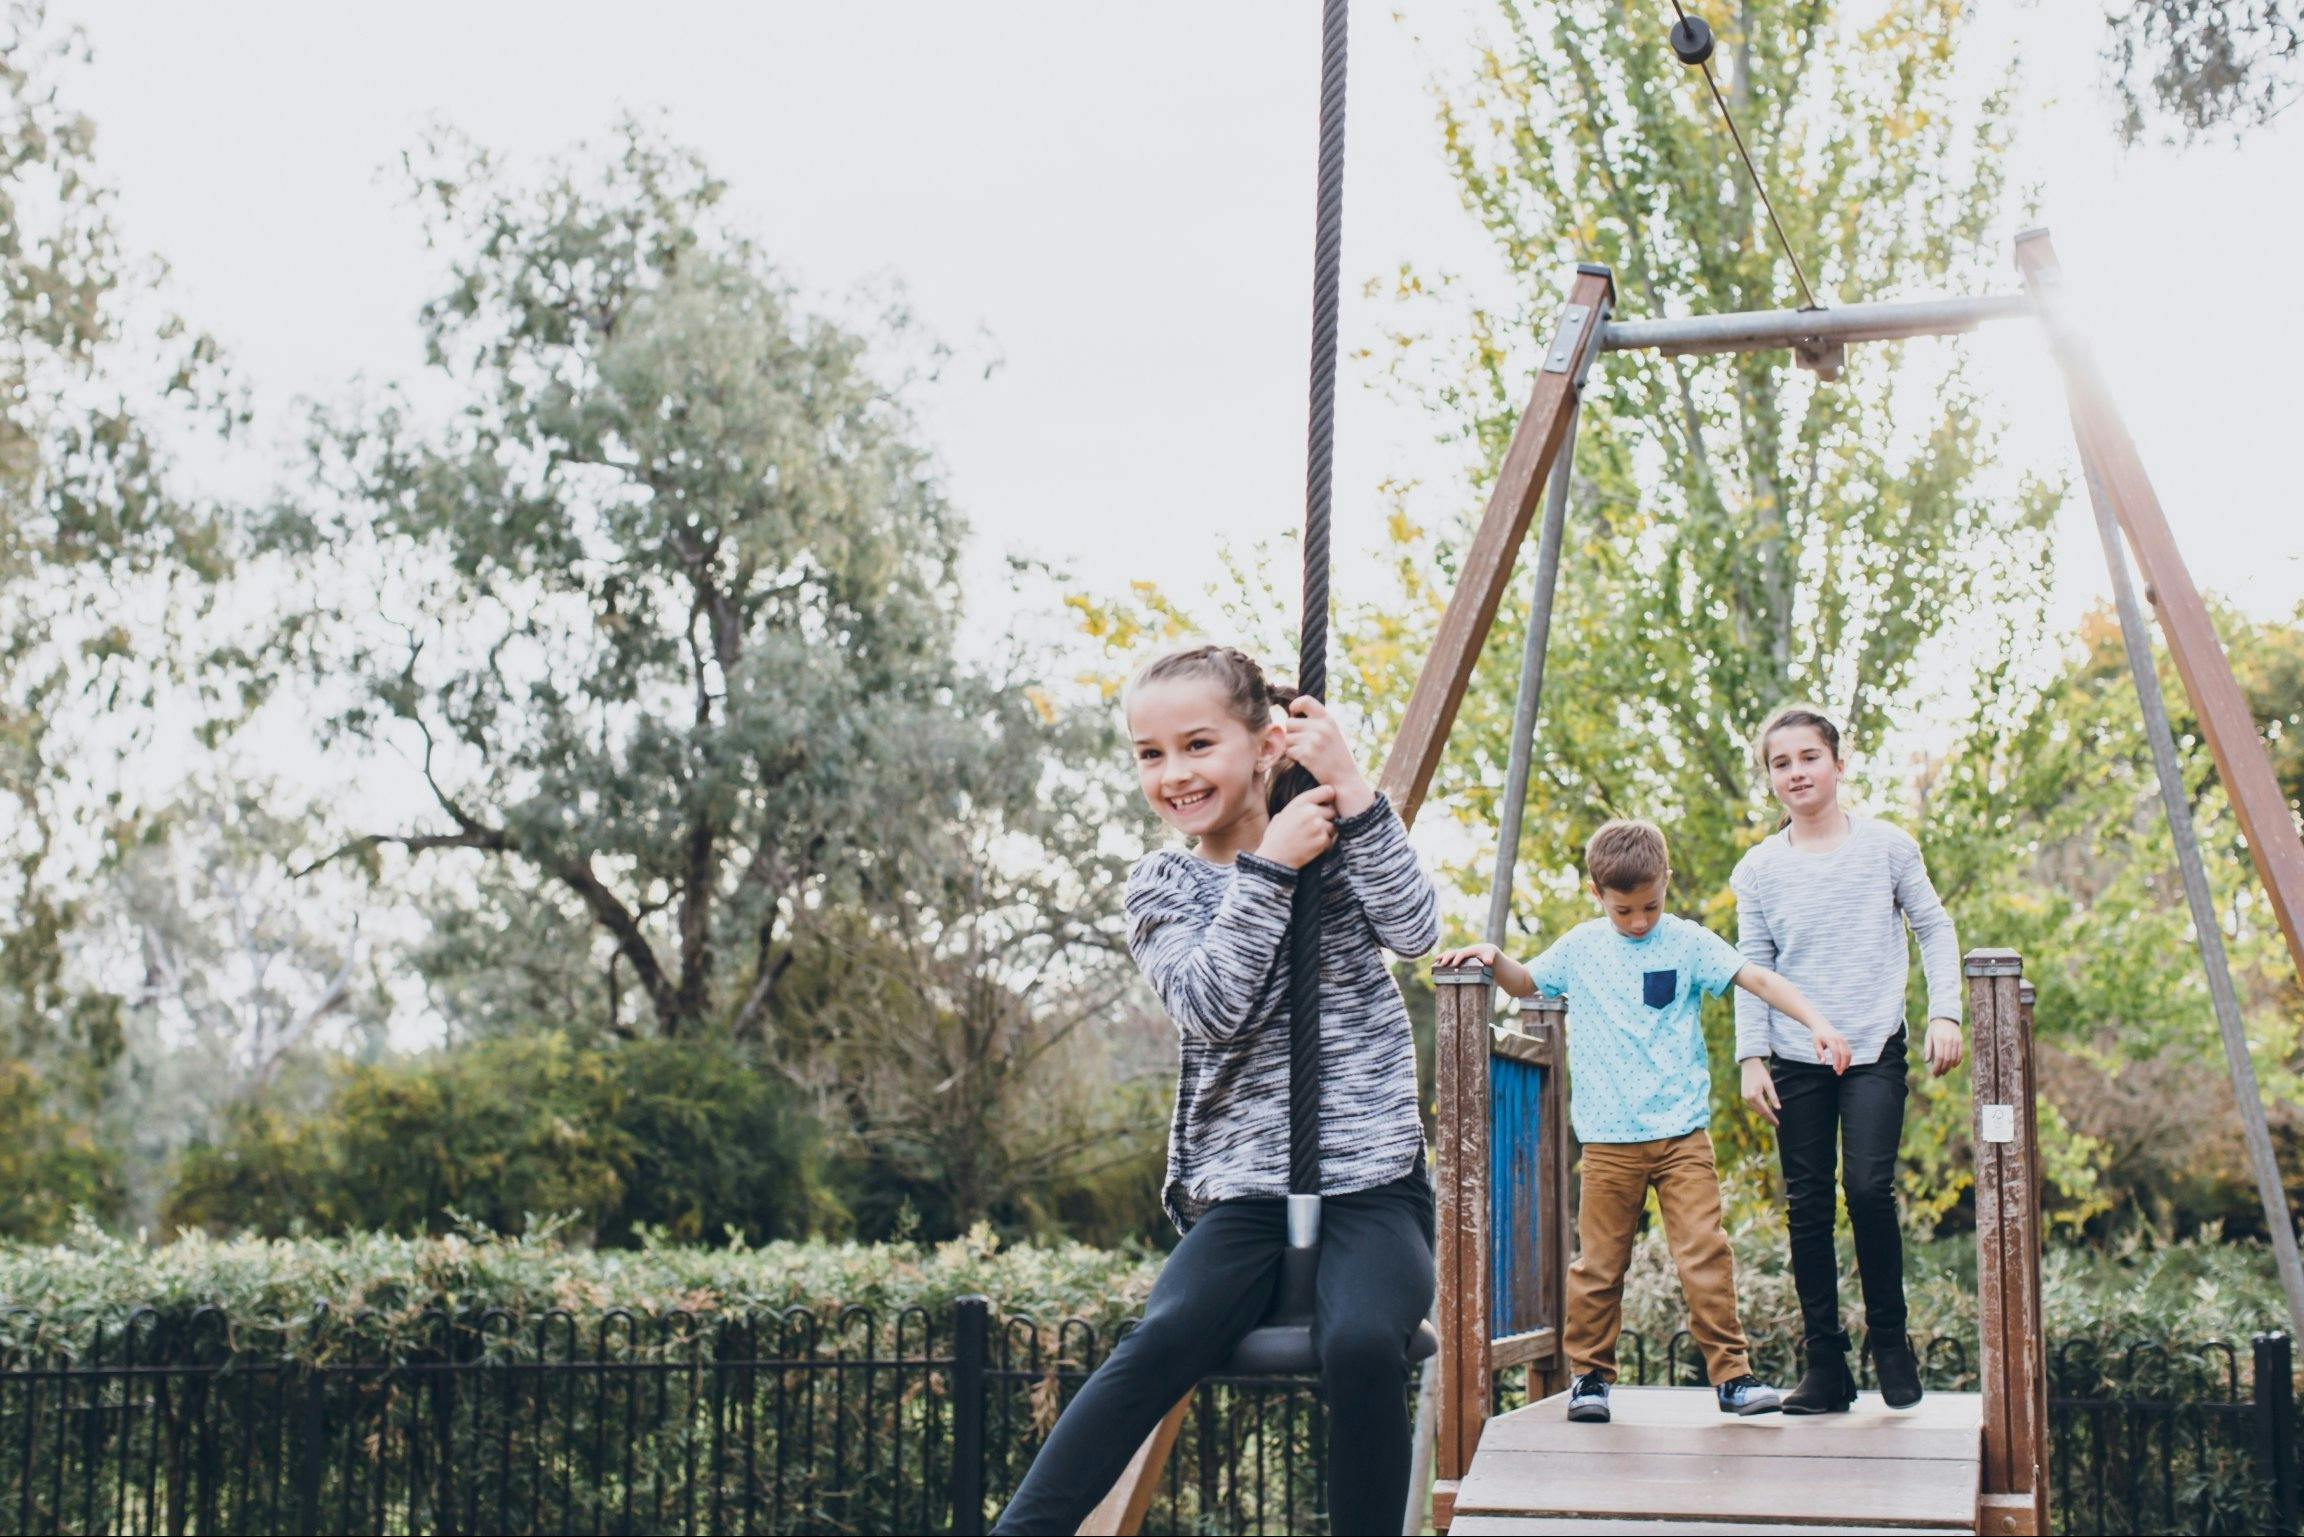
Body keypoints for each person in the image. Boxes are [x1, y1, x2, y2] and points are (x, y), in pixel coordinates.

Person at [993, 644, 1438, 1535]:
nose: (1175, 772)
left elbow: (1415, 928)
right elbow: (1211, 1005)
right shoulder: (1163, 884)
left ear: (1267, 743)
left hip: (1374, 1183)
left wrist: (1350, 785)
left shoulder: (1339, 838)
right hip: (1239, 1190)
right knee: (1163, 1336)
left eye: (1198, 744)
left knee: (1360, 1343)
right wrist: (1269, 870)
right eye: (1150, 753)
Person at [1437, 819, 1849, 1425]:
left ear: (1667, 885)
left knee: (1704, 1253)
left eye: (1650, 905)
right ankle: (1590, 1380)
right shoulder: (1581, 947)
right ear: (1596, 894)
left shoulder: (1685, 942)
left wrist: (1816, 1021)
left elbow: (1755, 979)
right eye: (1624, 908)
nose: (1638, 921)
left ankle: (1733, 1377)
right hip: (1607, 1142)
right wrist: (1493, 958)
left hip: (1682, 1135)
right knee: (1599, 1265)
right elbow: (1528, 983)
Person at [1732, 704, 1965, 1414]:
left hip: (1871, 1049)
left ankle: (1889, 1340)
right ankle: (1825, 1365)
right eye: (1781, 762)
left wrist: (1945, 1009)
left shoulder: (1888, 848)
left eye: (1808, 757)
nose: (1796, 772)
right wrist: (1751, 1056)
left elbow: (1934, 926)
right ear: (1770, 777)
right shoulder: (1759, 869)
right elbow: (1751, 964)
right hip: (1794, 1058)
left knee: (1866, 1188)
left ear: (1838, 763)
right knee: (1807, 1207)